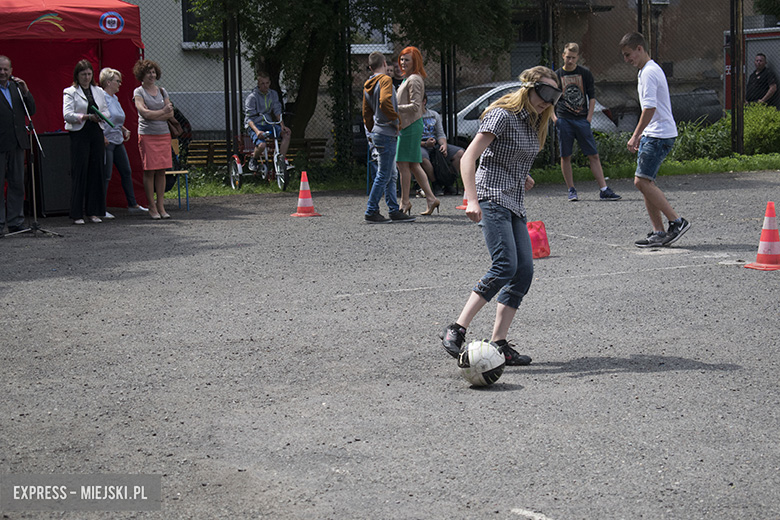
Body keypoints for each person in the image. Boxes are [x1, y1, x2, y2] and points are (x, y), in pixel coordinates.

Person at [440, 66, 562, 366]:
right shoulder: (502, 115)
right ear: (529, 87)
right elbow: (469, 157)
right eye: (544, 93)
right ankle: (456, 328)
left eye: (554, 96)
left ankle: (499, 343)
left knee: (524, 271)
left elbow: (508, 155)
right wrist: (470, 198)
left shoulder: (535, 121)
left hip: (514, 200)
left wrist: (523, 175)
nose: (547, 101)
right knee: (505, 264)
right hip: (491, 196)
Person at [620, 32, 690, 248]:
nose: (627, 59)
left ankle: (677, 222)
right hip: (656, 133)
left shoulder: (649, 72)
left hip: (657, 134)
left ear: (640, 48)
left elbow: (650, 108)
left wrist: (636, 134)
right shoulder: (646, 71)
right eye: (624, 55)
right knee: (646, 182)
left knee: (641, 181)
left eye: (628, 54)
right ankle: (659, 232)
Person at [553, 42, 621, 202]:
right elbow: (550, 100)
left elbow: (591, 96)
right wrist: (555, 119)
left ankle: (604, 189)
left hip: (582, 119)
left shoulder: (585, 73)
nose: (570, 60)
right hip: (564, 119)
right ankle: (571, 189)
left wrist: (589, 118)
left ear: (578, 58)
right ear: (563, 55)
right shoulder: (556, 75)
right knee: (565, 156)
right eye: (567, 57)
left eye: (573, 58)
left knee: (593, 155)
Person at [362, 52, 415, 223]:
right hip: (386, 132)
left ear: (370, 67)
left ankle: (393, 209)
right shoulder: (384, 80)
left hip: (377, 132)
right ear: (384, 63)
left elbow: (366, 111)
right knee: (384, 174)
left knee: (390, 173)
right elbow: (385, 102)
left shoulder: (368, 84)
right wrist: (395, 119)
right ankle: (371, 210)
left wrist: (372, 128)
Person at [63, 59, 109, 225]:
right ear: (77, 75)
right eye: (83, 74)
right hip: (80, 134)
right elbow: (67, 115)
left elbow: (106, 111)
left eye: (89, 74)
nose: (86, 77)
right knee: (80, 171)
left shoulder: (99, 91)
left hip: (96, 132)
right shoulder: (70, 92)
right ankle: (76, 213)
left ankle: (94, 211)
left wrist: (101, 117)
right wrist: (86, 116)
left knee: (96, 170)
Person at [395, 46, 439, 216]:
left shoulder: (413, 79)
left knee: (402, 164)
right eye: (401, 59)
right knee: (412, 164)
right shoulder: (409, 79)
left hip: (410, 126)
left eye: (407, 60)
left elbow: (415, 106)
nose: (402, 62)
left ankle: (405, 202)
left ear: (415, 62)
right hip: (408, 125)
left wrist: (394, 108)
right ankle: (430, 198)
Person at [99, 67, 147, 216]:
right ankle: (100, 208)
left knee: (126, 171)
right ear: (108, 82)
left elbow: (114, 119)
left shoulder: (114, 98)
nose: (120, 84)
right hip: (107, 142)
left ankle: (132, 204)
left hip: (118, 140)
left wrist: (123, 129)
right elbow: (99, 119)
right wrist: (102, 136)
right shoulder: (101, 98)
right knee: (106, 175)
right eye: (117, 81)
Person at [133, 59, 173, 220]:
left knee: (162, 171)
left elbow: (171, 114)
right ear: (142, 75)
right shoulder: (139, 92)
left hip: (163, 135)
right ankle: (152, 206)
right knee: (149, 171)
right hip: (147, 135)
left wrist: (157, 113)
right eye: (148, 72)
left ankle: (161, 206)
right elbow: (144, 113)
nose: (152, 75)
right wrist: (162, 111)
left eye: (153, 72)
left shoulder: (162, 91)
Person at [0, 55, 35, 236]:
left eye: (6, 69)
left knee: (16, 183)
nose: (3, 73)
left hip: (17, 142)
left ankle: (15, 221)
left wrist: (26, 92)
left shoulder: (17, 88)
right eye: (0, 69)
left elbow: (32, 110)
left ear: (11, 71)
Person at [244, 71, 292, 172]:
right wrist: (257, 132)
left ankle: (281, 160)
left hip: (268, 124)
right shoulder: (252, 98)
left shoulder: (273, 94)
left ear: (269, 83)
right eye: (262, 83)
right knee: (262, 145)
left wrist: (282, 125)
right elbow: (249, 119)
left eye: (267, 83)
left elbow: (277, 110)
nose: (265, 86)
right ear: (258, 84)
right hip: (255, 125)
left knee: (287, 133)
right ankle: (253, 159)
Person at [420, 92, 463, 196]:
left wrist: (443, 145)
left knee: (460, 153)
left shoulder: (434, 115)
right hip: (420, 145)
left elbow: (440, 134)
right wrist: (425, 143)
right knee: (422, 156)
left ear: (424, 101)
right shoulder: (411, 117)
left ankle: (449, 182)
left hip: (435, 144)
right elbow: (410, 139)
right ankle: (436, 184)